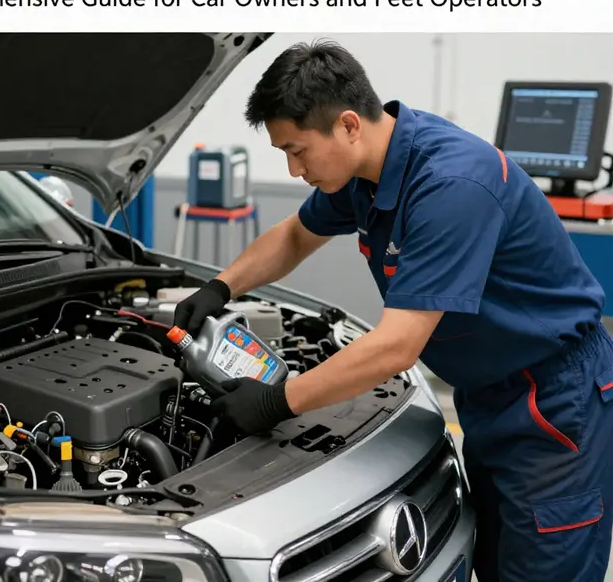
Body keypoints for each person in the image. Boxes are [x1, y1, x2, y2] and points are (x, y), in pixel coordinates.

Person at [172, 39, 613, 582]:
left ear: (349, 125)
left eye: (298, 150)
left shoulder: (449, 185)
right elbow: (293, 236)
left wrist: (277, 401)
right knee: (499, 559)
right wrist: (220, 287)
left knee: (545, 566)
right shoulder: (368, 172)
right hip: (490, 392)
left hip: (552, 398)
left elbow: (397, 346)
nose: (293, 170)